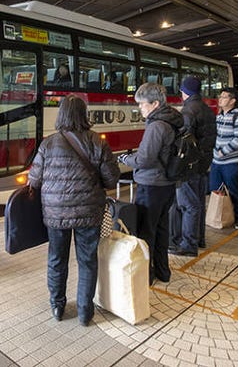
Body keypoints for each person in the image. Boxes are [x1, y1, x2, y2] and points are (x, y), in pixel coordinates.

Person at [28, 95, 120, 326]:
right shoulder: (98, 142)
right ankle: (84, 312)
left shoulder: (48, 143)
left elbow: (34, 180)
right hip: (89, 213)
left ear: (61, 114)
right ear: (84, 114)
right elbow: (111, 180)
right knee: (87, 261)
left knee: (57, 259)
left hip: (56, 214)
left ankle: (57, 306)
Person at [118, 83, 184, 285]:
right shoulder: (172, 121)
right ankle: (163, 272)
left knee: (146, 231)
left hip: (151, 185)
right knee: (162, 229)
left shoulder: (156, 126)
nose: (140, 108)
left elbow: (144, 159)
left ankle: (146, 275)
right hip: (166, 184)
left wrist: (124, 159)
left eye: (142, 104)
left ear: (155, 103)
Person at [169, 76, 216, 257]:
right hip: (204, 164)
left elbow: (184, 141)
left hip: (190, 166)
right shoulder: (207, 109)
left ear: (185, 91)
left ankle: (188, 244)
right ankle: (199, 238)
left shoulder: (188, 111)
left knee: (189, 205)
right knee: (198, 203)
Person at [209, 87, 238, 229]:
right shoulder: (219, 116)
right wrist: (215, 151)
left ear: (233, 100)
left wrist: (223, 152)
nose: (220, 99)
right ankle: (221, 214)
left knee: (234, 189)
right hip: (216, 161)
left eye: (224, 97)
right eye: (220, 96)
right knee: (215, 188)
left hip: (233, 161)